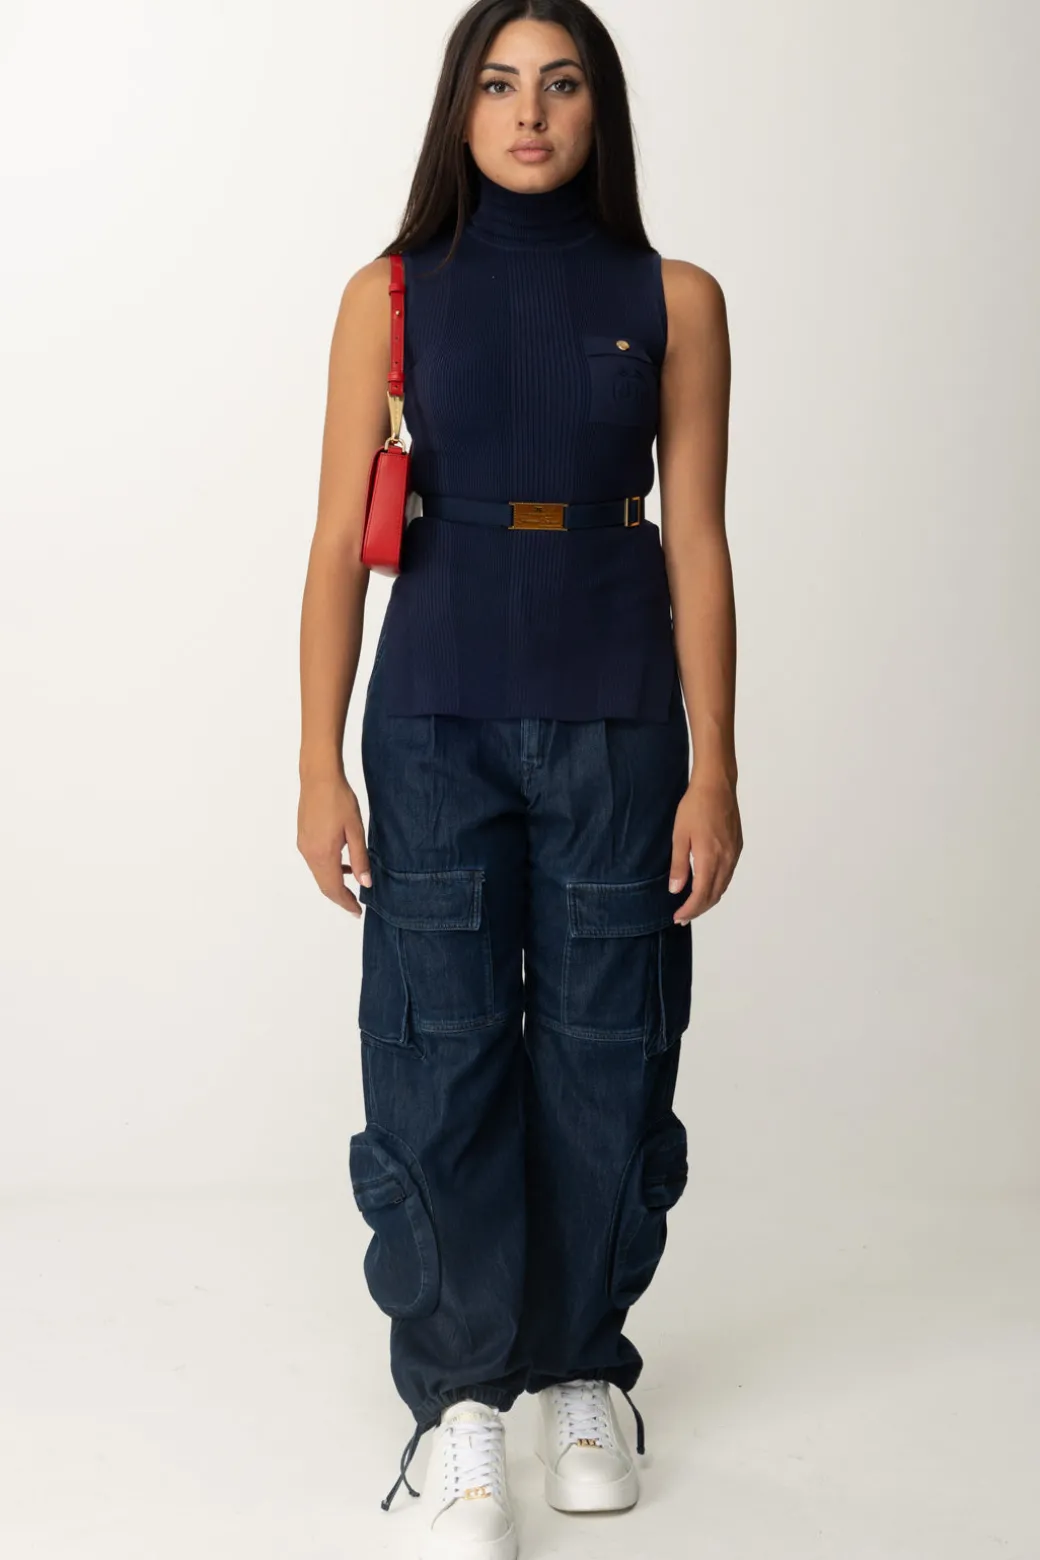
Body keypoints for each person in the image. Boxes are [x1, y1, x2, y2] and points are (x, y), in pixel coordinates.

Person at [297, 2, 741, 1555]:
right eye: (498, 85)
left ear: (598, 110)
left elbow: (697, 542)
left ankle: (581, 1370)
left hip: (621, 722)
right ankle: (461, 1405)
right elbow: (334, 545)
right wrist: (316, 766)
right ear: (461, 109)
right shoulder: (389, 294)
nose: (530, 112)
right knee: (439, 1053)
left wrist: (717, 768)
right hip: (433, 723)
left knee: (611, 1049)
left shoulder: (674, 299)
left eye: (560, 85)